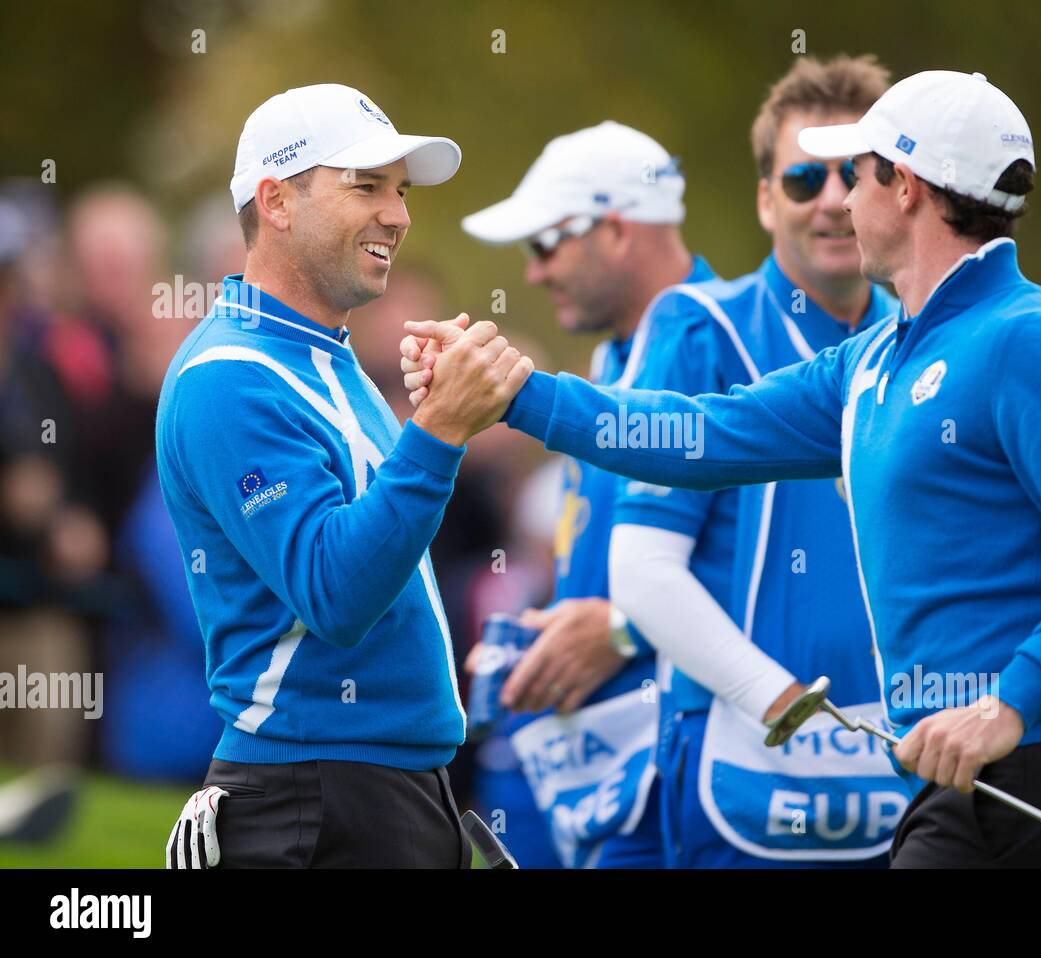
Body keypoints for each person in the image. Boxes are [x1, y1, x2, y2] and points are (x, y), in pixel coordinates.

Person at [406, 69, 1041, 868]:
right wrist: (518, 392)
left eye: (858, 176)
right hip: (945, 788)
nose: (842, 202)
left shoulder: (1036, 342)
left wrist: (1010, 704)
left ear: (906, 187)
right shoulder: (872, 360)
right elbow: (692, 435)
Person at [158, 83, 532, 868]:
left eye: (399, 191)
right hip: (311, 796)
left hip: (378, 789)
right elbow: (336, 593)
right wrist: (436, 432)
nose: (397, 214)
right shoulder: (228, 374)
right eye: (365, 186)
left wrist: (430, 429)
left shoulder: (325, 355)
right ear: (277, 202)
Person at [602, 55, 905, 868]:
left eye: (860, 175)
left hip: (911, 772)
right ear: (766, 199)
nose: (836, 202)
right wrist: (783, 707)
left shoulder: (936, 337)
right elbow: (642, 570)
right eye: (806, 180)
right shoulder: (700, 330)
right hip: (743, 773)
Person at [424, 121, 715, 867]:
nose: (533, 273)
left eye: (545, 245)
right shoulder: (620, 351)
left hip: (693, 771)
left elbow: (786, 566)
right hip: (618, 769)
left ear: (615, 230)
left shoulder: (717, 342)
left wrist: (622, 629)